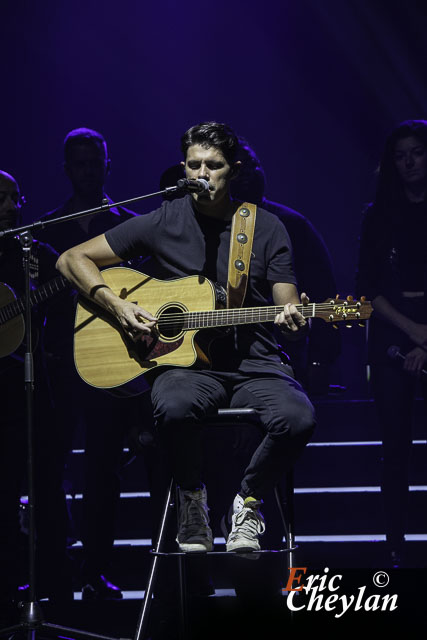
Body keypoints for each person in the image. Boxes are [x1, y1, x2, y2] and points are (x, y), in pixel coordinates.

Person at [57, 121, 316, 555]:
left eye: (213, 166)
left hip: (255, 360)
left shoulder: (265, 227)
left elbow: (285, 299)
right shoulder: (162, 221)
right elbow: (71, 259)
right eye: (194, 165)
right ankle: (192, 499)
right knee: (173, 408)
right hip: (187, 365)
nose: (202, 174)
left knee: (299, 419)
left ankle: (246, 502)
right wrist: (118, 306)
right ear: (183, 167)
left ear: (233, 171)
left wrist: (296, 317)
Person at [36, 128, 141, 599]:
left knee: (104, 469)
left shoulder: (131, 225)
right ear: (66, 169)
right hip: (58, 368)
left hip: (111, 365)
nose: (87, 170)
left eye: (94, 161)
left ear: (107, 165)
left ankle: (96, 569)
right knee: (48, 469)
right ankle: (54, 572)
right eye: (78, 163)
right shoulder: (44, 231)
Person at [356, 119, 427, 566]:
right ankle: (395, 546)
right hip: (394, 331)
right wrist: (413, 332)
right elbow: (366, 285)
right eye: (400, 155)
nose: (408, 162)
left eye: (417, 152)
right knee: (395, 444)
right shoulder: (378, 213)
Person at [0, 170, 71, 609]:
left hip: (34, 392)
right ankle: (6, 595)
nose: (9, 206)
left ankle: (57, 594)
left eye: (14, 197)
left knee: (47, 490)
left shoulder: (35, 253)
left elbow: (67, 291)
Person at [231, 138, 341, 392]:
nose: (250, 173)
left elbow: (323, 291)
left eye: (254, 164)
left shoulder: (292, 225)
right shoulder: (207, 228)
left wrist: (320, 358)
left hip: (284, 354)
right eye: (240, 168)